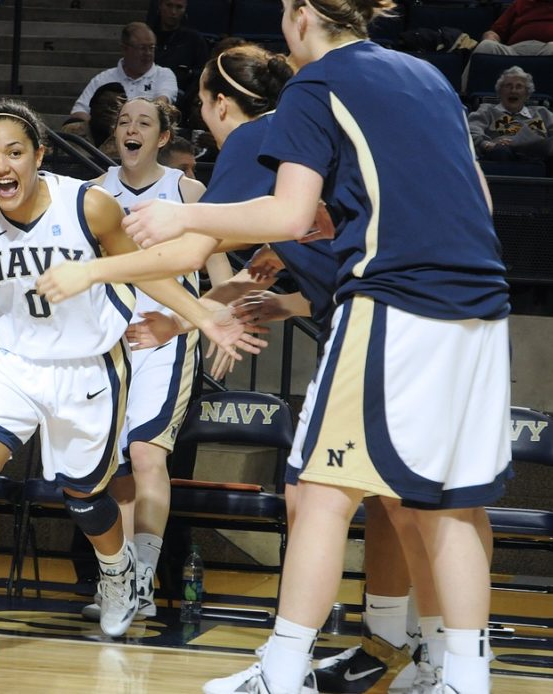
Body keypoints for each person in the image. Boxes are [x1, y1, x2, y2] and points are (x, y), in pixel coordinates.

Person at [115, 2, 511, 692]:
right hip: (482, 301)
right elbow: (478, 195)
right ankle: (461, 677)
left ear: (300, 13)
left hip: (396, 299)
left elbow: (290, 213)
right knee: (452, 502)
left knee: (319, 492)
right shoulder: (426, 74)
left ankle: (281, 671)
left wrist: (185, 210)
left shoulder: (317, 81)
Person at [0, 97, 266, 658]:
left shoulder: (90, 206)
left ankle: (117, 569)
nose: (1, 166)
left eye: (13, 152)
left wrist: (204, 316)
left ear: (39, 154)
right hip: (7, 360)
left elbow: (147, 271)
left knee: (84, 498)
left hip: (85, 367)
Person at [74, 95, 220, 625]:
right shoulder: (92, 194)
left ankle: (140, 579)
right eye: (122, 123)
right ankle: (124, 580)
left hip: (165, 338)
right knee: (115, 466)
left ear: (162, 138)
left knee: (146, 454)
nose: (130, 129)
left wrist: (217, 325)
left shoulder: (186, 191)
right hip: (108, 340)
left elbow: (219, 274)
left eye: (144, 122)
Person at [70, 22, 179, 123]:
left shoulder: (164, 74)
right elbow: (78, 111)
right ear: (125, 48)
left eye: (151, 48)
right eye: (142, 48)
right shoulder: (104, 78)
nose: (148, 53)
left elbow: (162, 103)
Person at [468, 65, 553, 175]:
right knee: (500, 151)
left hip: (540, 158)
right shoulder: (487, 111)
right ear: (499, 92)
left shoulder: (542, 112)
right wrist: (487, 144)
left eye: (519, 86)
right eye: (508, 86)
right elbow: (471, 131)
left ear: (527, 94)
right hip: (503, 155)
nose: (513, 90)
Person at [148, 0, 210, 112]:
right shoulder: (146, 36)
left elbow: (203, 72)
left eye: (179, 7)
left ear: (185, 9)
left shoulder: (194, 40)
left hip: (182, 96)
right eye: (169, 5)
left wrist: (189, 73)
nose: (173, 12)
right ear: (160, 6)